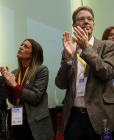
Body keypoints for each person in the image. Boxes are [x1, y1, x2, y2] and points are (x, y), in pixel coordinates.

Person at [55, 6, 114, 140]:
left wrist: (86, 48)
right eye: (81, 19)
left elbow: (106, 73)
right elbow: (60, 83)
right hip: (73, 117)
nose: (86, 21)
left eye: (89, 19)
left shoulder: (107, 46)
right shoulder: (68, 50)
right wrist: (68, 60)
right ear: (74, 25)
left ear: (93, 24)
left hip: (100, 115)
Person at [0, 39, 54, 140]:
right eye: (21, 45)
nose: (21, 47)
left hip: (37, 123)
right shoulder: (15, 73)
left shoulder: (41, 70)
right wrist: (8, 84)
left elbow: (36, 97)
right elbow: (13, 100)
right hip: (18, 121)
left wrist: (14, 85)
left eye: (26, 46)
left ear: (33, 55)